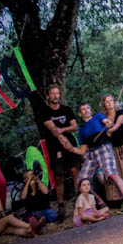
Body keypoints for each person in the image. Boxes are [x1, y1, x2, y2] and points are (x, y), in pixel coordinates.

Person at [37, 84, 82, 222]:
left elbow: (75, 126)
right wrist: (63, 139)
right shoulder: (44, 111)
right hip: (55, 147)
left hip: (70, 146)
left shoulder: (66, 109)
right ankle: (61, 205)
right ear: (48, 96)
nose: (56, 96)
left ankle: (81, 199)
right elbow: (53, 129)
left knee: (75, 171)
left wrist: (63, 130)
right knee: (58, 177)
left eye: (57, 93)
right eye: (53, 93)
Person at [76, 104, 123, 213]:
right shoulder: (82, 130)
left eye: (88, 108)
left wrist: (109, 123)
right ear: (80, 114)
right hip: (91, 152)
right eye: (83, 109)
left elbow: (108, 123)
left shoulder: (98, 116)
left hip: (104, 147)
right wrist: (70, 148)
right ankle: (101, 202)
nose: (86, 110)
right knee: (81, 180)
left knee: (111, 173)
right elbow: (82, 151)